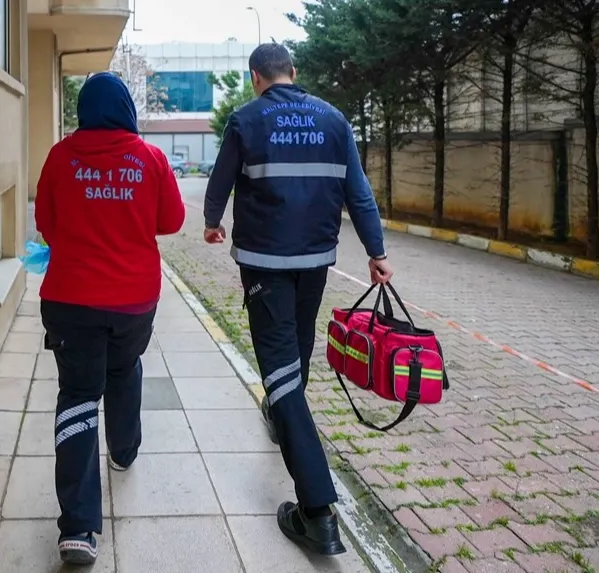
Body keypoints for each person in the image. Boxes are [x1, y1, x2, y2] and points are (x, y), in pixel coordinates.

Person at [202, 43, 394, 556]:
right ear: (293, 72)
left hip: (264, 263)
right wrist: (376, 252)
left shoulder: (246, 119)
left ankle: (317, 512)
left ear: (255, 78)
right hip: (314, 262)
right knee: (297, 350)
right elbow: (359, 193)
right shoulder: (334, 120)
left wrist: (213, 221)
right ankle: (281, 412)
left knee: (283, 373)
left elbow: (221, 180)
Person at [34, 72, 185, 565]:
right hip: (133, 300)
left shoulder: (61, 156)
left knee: (79, 395)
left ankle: (78, 529)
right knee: (123, 368)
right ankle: (123, 450)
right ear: (126, 110)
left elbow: (47, 224)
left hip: (70, 299)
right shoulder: (150, 158)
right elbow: (172, 221)